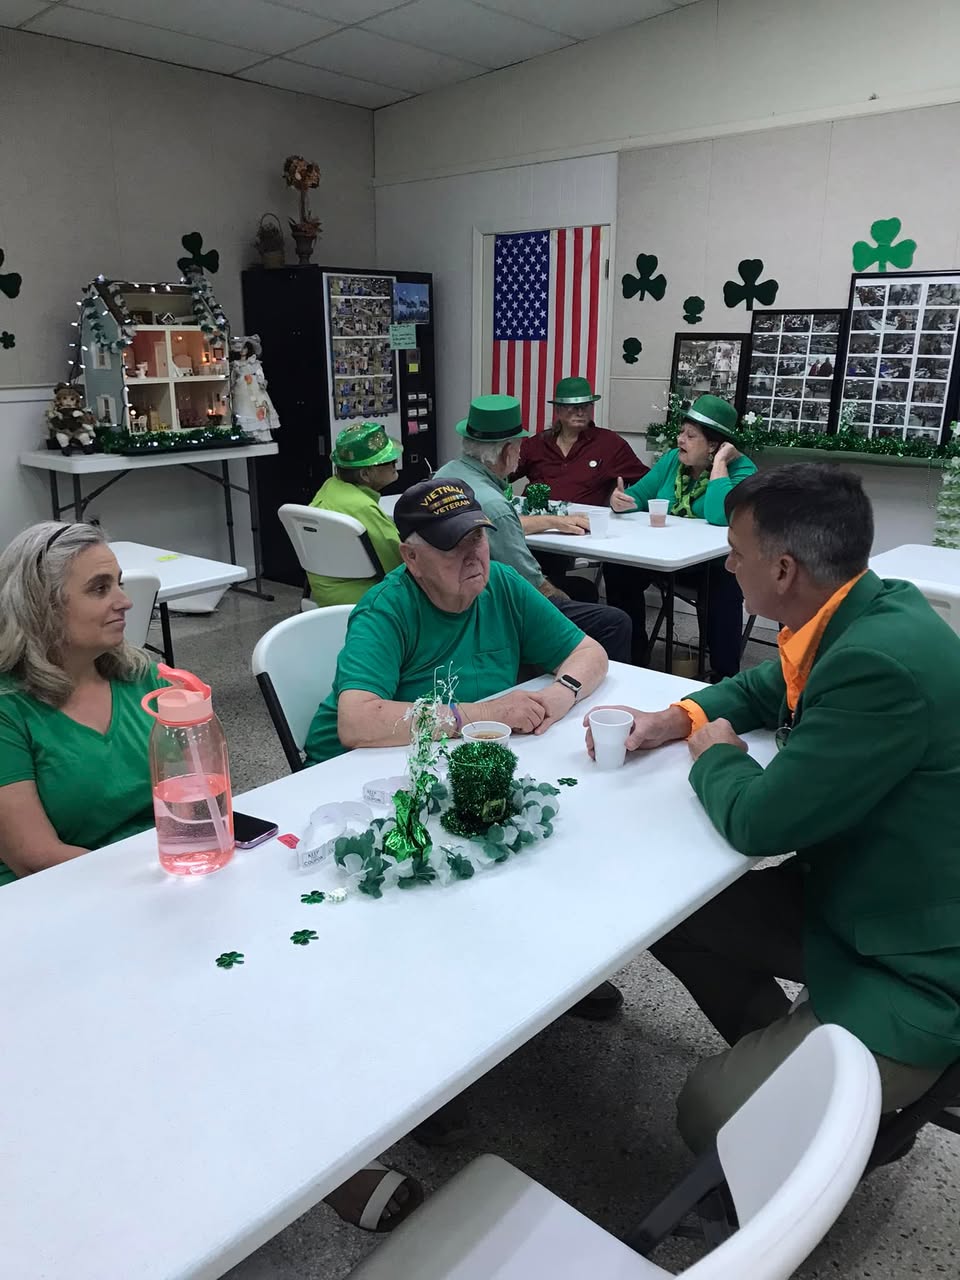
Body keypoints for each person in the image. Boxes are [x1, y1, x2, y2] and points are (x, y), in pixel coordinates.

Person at [0, 521, 420, 1234]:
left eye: (118, 584)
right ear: (41, 606)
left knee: (291, 953)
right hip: (66, 903)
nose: (124, 601)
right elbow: (34, 855)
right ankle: (308, 1160)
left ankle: (337, 1124)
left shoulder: (141, 679)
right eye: (99, 589)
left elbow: (207, 797)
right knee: (202, 998)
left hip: (167, 872)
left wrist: (203, 759)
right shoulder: (10, 709)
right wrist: (165, 881)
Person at [586, 463, 960, 1153]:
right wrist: (678, 716)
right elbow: (765, 687)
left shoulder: (875, 664)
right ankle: (792, 1059)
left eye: (736, 552)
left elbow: (760, 822)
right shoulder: (863, 610)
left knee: (711, 1114)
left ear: (783, 570)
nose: (728, 565)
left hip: (915, 963)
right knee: (668, 915)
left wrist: (715, 754)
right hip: (855, 897)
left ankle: (833, 1096)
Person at [304, 476, 623, 1022]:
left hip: (451, 765)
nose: (474, 553)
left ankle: (554, 965)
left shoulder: (501, 585)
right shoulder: (387, 609)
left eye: (478, 536)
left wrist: (559, 694)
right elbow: (357, 721)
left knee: (548, 833)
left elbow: (589, 652)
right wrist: (478, 715)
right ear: (411, 557)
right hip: (364, 781)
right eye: (452, 545)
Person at [432, 395, 632, 664]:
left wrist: (552, 522)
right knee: (615, 621)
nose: (520, 453)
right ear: (507, 451)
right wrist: (563, 603)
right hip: (494, 606)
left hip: (450, 594)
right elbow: (532, 585)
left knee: (583, 589)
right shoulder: (495, 507)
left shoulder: (445, 474)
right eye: (518, 447)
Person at [606, 394, 756, 675]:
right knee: (617, 569)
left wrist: (720, 463)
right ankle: (633, 659)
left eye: (690, 435)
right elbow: (639, 495)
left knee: (724, 583)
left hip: (711, 565)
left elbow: (719, 515)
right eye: (681, 432)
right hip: (665, 557)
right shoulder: (673, 460)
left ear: (714, 445)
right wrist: (620, 501)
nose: (680, 440)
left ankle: (725, 675)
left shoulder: (743, 470)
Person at [511, 376, 648, 598]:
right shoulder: (537, 443)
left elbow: (647, 481)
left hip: (579, 533)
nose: (581, 412)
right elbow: (503, 472)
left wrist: (624, 497)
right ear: (558, 410)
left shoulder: (609, 444)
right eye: (573, 407)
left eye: (586, 406)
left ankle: (558, 604)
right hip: (536, 530)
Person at [305, 421, 402, 607]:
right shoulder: (363, 507)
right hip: (366, 598)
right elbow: (398, 563)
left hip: (325, 594)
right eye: (389, 461)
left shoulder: (330, 487)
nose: (395, 464)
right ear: (365, 474)